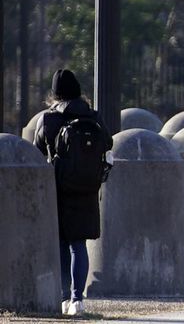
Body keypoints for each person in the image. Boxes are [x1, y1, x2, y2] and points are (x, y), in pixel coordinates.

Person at [34, 69, 113, 317]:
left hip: (60, 188)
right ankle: (78, 300)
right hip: (88, 189)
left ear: (55, 94)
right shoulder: (93, 116)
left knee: (61, 244)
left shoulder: (48, 119)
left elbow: (36, 150)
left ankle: (63, 297)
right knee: (79, 244)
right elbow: (108, 143)